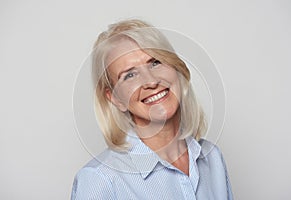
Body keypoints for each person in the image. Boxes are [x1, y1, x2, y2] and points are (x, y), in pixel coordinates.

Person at [71, 19, 233, 200]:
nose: (151, 81)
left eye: (155, 62)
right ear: (115, 98)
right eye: (129, 75)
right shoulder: (100, 180)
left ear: (175, 67)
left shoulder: (212, 158)